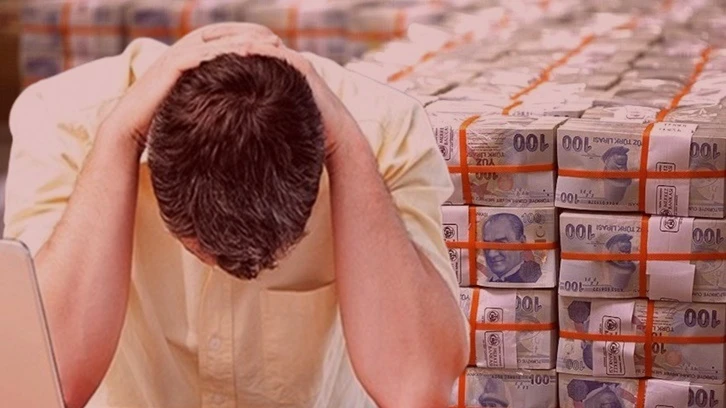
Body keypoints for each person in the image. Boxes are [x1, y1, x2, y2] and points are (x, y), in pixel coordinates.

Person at [4, 23, 468, 408]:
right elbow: (46, 385)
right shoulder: (62, 121)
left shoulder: (384, 131)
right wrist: (119, 139)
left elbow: (418, 389)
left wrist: (347, 148)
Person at [480, 213, 542, 283]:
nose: (491, 254)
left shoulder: (537, 278)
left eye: (500, 244)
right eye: (487, 245)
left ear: (522, 243)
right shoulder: (485, 281)